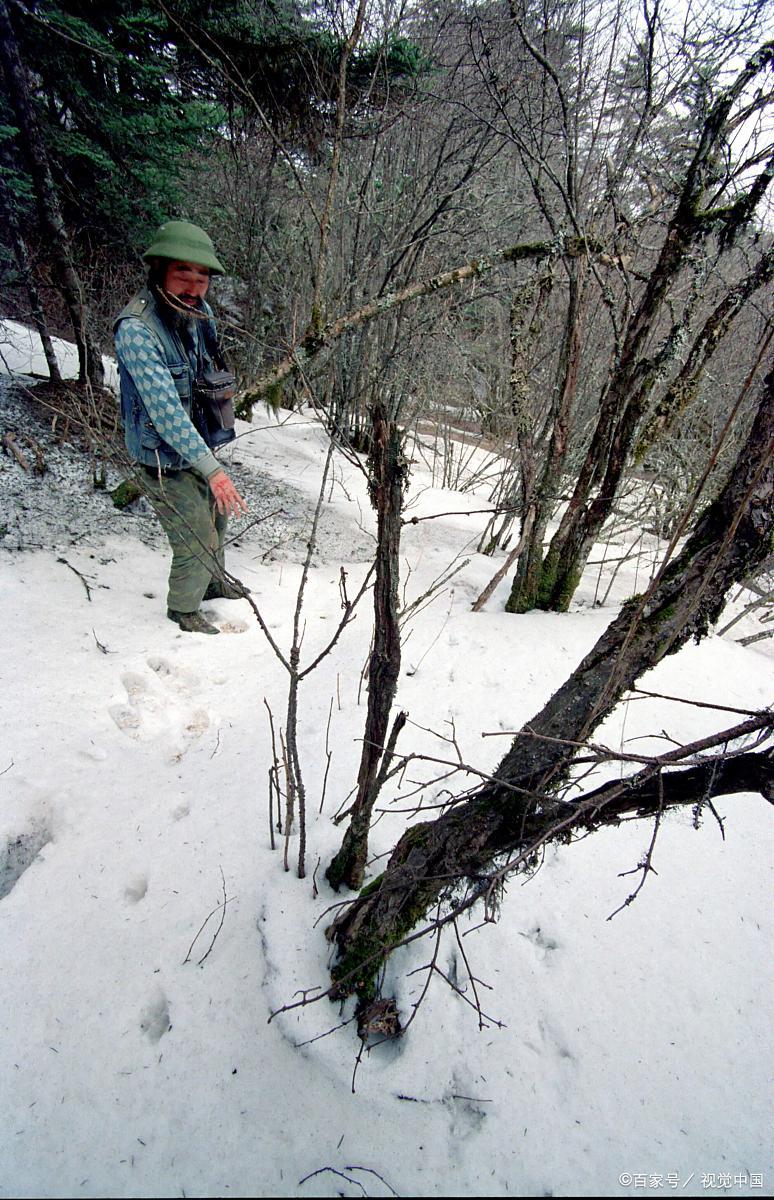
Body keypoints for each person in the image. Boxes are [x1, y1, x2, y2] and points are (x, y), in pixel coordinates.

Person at [114, 220, 248, 635]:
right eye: (182, 275)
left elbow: (207, 364)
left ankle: (212, 583)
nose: (193, 287)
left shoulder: (196, 311)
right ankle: (183, 610)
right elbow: (165, 412)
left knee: (218, 518)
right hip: (159, 455)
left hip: (195, 442)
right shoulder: (136, 330)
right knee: (193, 535)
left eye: (202, 277)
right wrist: (215, 471)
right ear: (159, 272)